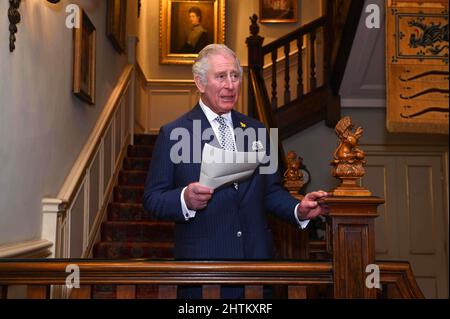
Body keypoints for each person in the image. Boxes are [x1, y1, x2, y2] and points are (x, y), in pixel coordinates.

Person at [143, 44, 329, 298]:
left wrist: (299, 209)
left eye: (235, 75)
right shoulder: (174, 134)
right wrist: (184, 199)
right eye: (221, 76)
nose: (231, 85)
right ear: (199, 83)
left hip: (256, 267)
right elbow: (153, 198)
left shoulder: (258, 130)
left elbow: (271, 192)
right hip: (203, 272)